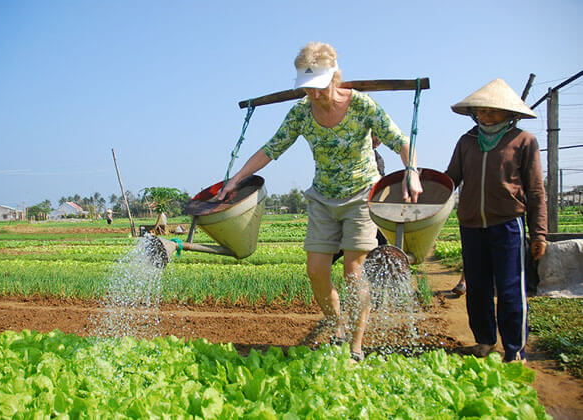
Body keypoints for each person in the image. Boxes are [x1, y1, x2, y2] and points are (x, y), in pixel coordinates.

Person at [218, 42, 423, 361]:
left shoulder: (361, 106)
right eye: (307, 87)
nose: (313, 94)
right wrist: (236, 179)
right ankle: (338, 327)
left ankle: (355, 345)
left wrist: (411, 171)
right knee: (316, 271)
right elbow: (271, 149)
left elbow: (401, 141)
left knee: (354, 272)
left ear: (334, 77)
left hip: (359, 195)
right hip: (323, 197)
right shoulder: (301, 112)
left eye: (318, 87)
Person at [444, 78, 547, 363]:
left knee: (511, 288)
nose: (486, 115)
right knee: (477, 287)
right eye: (481, 110)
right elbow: (451, 178)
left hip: (508, 224)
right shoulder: (467, 141)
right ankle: (484, 341)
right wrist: (423, 189)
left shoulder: (523, 141)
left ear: (509, 113)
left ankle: (515, 349)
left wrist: (539, 233)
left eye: (493, 110)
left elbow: (536, 190)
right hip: (471, 225)